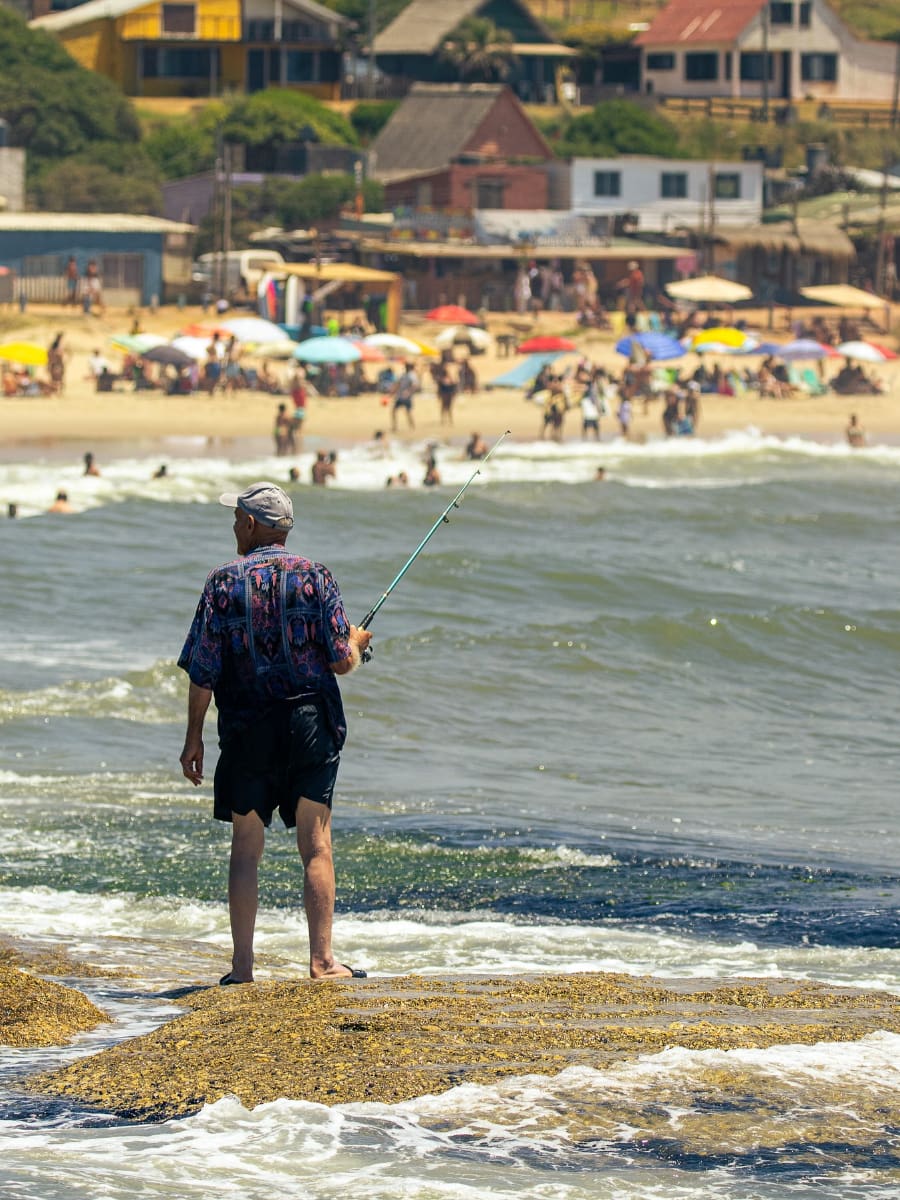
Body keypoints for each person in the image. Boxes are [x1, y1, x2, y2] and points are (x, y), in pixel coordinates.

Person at [177, 482, 372, 983]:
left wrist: (193, 738)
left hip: (247, 726)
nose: (233, 525)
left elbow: (203, 671)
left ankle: (242, 968)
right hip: (310, 722)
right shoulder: (315, 575)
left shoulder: (221, 582)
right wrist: (356, 643)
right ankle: (322, 962)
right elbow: (340, 660)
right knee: (316, 845)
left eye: (237, 517)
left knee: (246, 846)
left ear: (250, 524)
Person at [392, 361, 418, 432]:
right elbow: (397, 384)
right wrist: (392, 392)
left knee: (408, 412)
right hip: (400, 396)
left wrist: (408, 392)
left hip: (407, 397)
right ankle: (395, 427)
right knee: (394, 411)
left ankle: (412, 426)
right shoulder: (403, 375)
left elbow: (414, 385)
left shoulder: (412, 375)